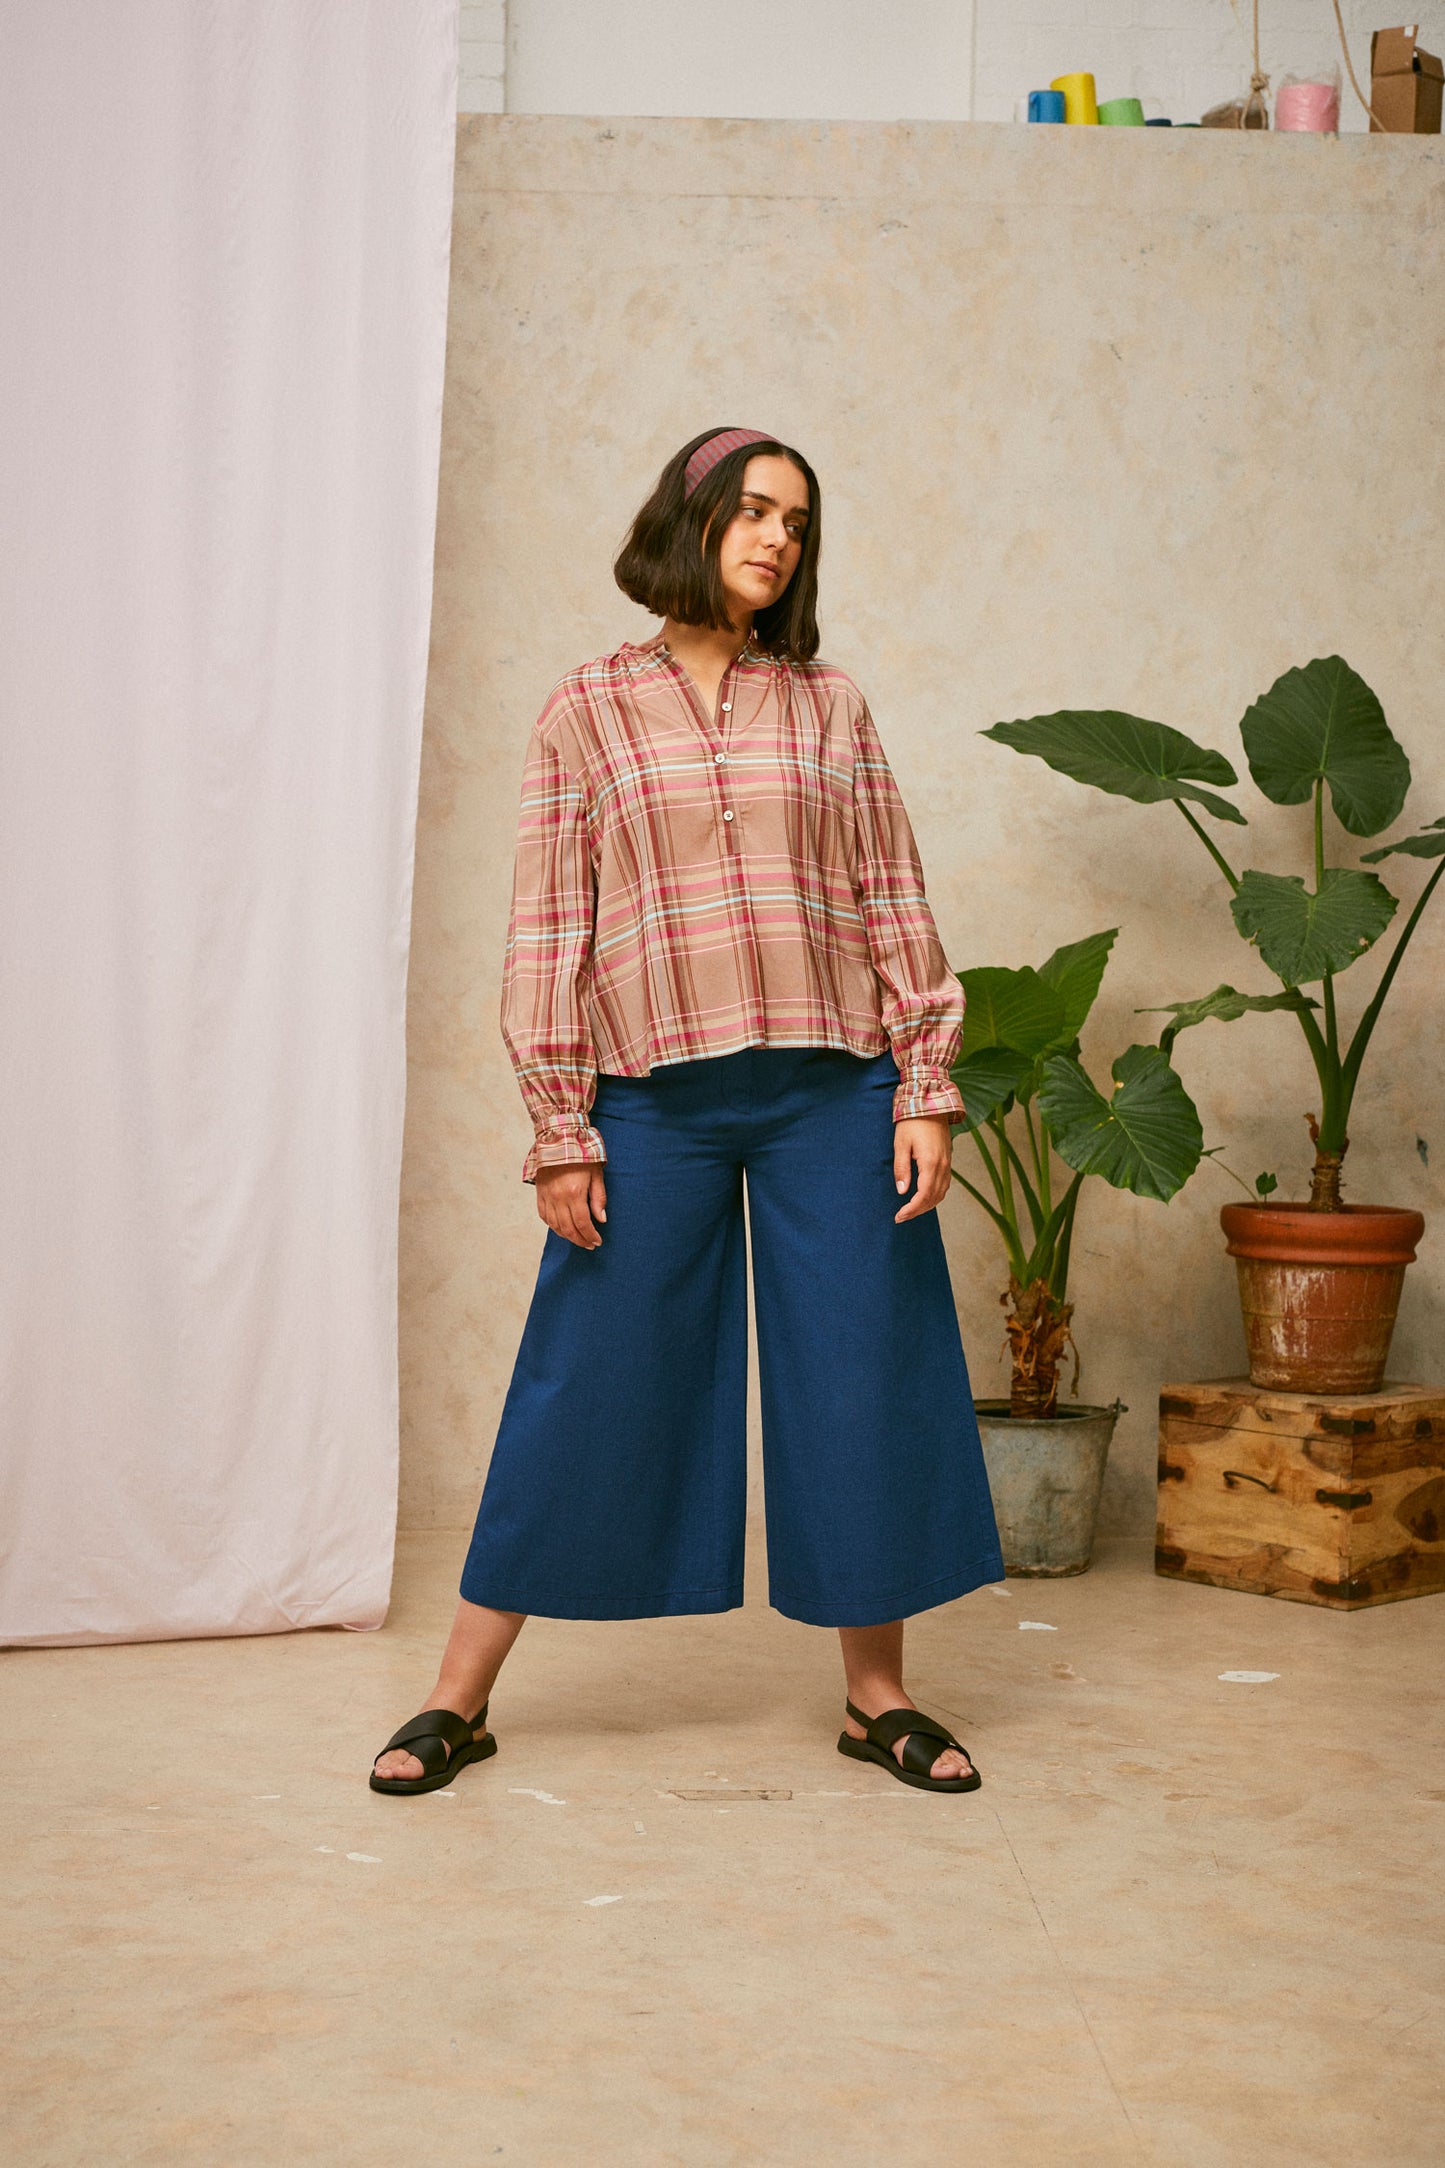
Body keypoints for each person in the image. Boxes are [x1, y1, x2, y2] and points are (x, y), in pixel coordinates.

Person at [371, 427, 1003, 1800]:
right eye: (754, 512)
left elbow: (891, 896)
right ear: (691, 518)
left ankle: (874, 1696)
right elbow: (549, 930)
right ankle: (454, 1698)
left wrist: (924, 1090)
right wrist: (560, 1125)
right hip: (649, 1098)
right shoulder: (584, 712)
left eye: (797, 523)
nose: (776, 539)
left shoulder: (830, 706)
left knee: (861, 1373)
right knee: (583, 1375)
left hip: (833, 1089)